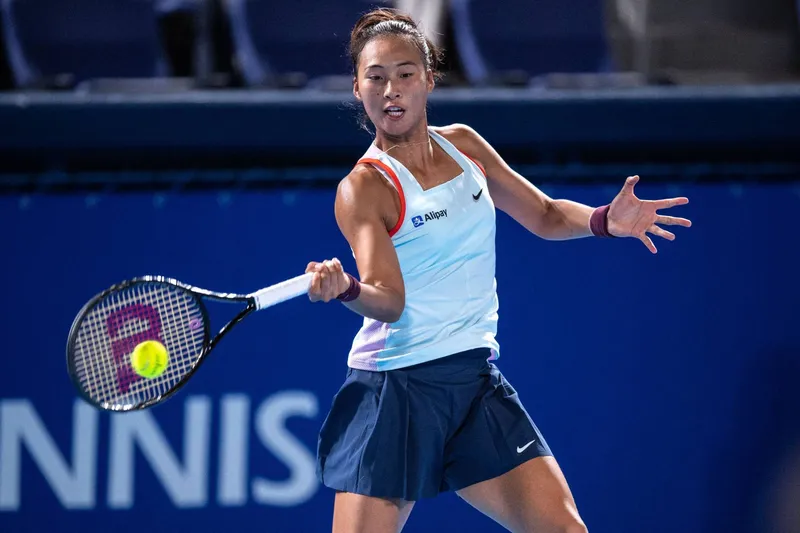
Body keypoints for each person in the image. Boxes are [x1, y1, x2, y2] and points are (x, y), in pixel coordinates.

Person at [305, 8, 692, 533]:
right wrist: (347, 288)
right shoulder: (364, 188)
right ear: (357, 87)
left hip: (472, 383)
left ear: (428, 79)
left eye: (404, 74)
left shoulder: (464, 145)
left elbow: (546, 214)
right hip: (395, 392)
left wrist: (604, 221)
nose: (390, 90)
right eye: (375, 77)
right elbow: (388, 299)